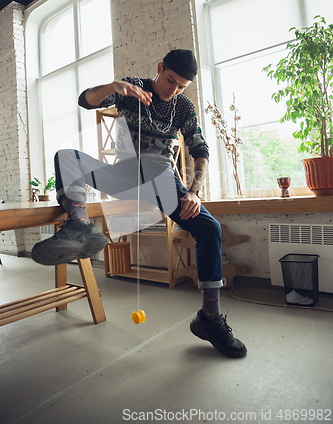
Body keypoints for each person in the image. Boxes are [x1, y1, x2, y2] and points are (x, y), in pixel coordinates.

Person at [31, 49, 247, 358]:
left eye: (181, 86)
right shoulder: (132, 89)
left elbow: (200, 149)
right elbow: (85, 100)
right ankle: (78, 226)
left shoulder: (184, 107)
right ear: (160, 68)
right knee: (66, 156)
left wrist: (194, 191)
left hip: (160, 178)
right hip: (124, 176)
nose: (173, 90)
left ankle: (209, 318)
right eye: (170, 80)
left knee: (209, 228)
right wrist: (115, 87)